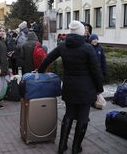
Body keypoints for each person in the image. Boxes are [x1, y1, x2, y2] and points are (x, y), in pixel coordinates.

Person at [37, 20, 104, 154]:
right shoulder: (88, 48)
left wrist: (40, 71)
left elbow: (48, 58)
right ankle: (76, 147)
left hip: (69, 87)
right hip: (86, 89)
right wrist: (99, 89)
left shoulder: (63, 46)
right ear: (80, 32)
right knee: (83, 117)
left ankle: (62, 146)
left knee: (69, 115)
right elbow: (96, 70)